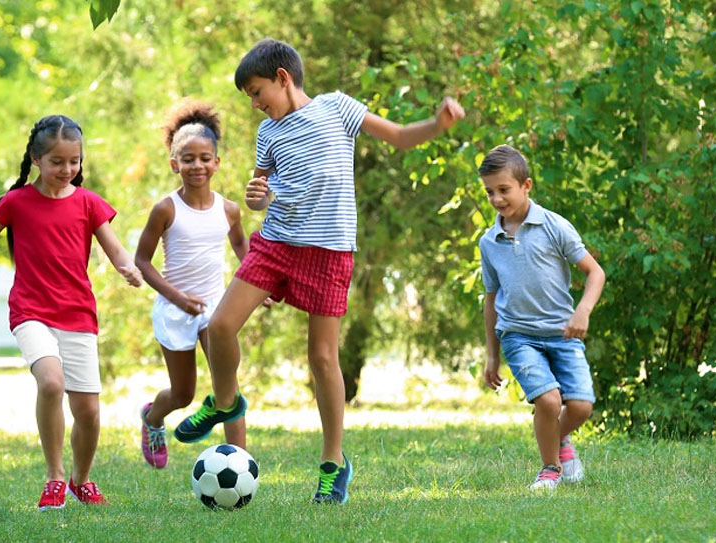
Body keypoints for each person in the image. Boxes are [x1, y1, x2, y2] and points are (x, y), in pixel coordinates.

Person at [173, 38, 465, 504]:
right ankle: (223, 402)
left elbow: (398, 136)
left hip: (329, 251)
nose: (254, 104)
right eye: (248, 97)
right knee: (222, 326)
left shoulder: (337, 108)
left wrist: (437, 123)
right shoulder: (268, 133)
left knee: (323, 358)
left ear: (283, 78)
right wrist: (257, 199)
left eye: (256, 91)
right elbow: (265, 190)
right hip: (276, 243)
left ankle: (333, 464)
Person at [0, 115, 143, 510]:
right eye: (57, 162)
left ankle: (80, 480)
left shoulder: (89, 203)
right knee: (50, 383)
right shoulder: (16, 202)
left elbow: (113, 246)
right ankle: (53, 477)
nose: (67, 170)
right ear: (36, 158)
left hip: (78, 313)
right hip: (31, 309)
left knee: (88, 412)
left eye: (74, 162)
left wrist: (127, 267)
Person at [478, 144, 606, 490]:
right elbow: (491, 299)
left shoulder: (554, 226)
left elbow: (595, 273)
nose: (496, 198)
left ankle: (559, 440)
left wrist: (583, 311)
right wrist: (492, 355)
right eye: (490, 191)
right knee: (548, 400)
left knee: (580, 406)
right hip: (518, 335)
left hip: (563, 332)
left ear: (526, 186)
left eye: (504, 190)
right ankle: (550, 468)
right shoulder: (489, 241)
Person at [133, 99, 251, 469]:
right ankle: (153, 418)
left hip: (216, 309)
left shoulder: (229, 210)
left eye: (204, 158)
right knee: (183, 393)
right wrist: (177, 297)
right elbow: (142, 261)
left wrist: (256, 286)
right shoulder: (166, 209)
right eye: (187, 158)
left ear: (217, 162)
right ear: (174, 164)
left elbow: (242, 248)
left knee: (226, 387)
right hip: (174, 308)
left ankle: (241, 462)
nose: (196, 165)